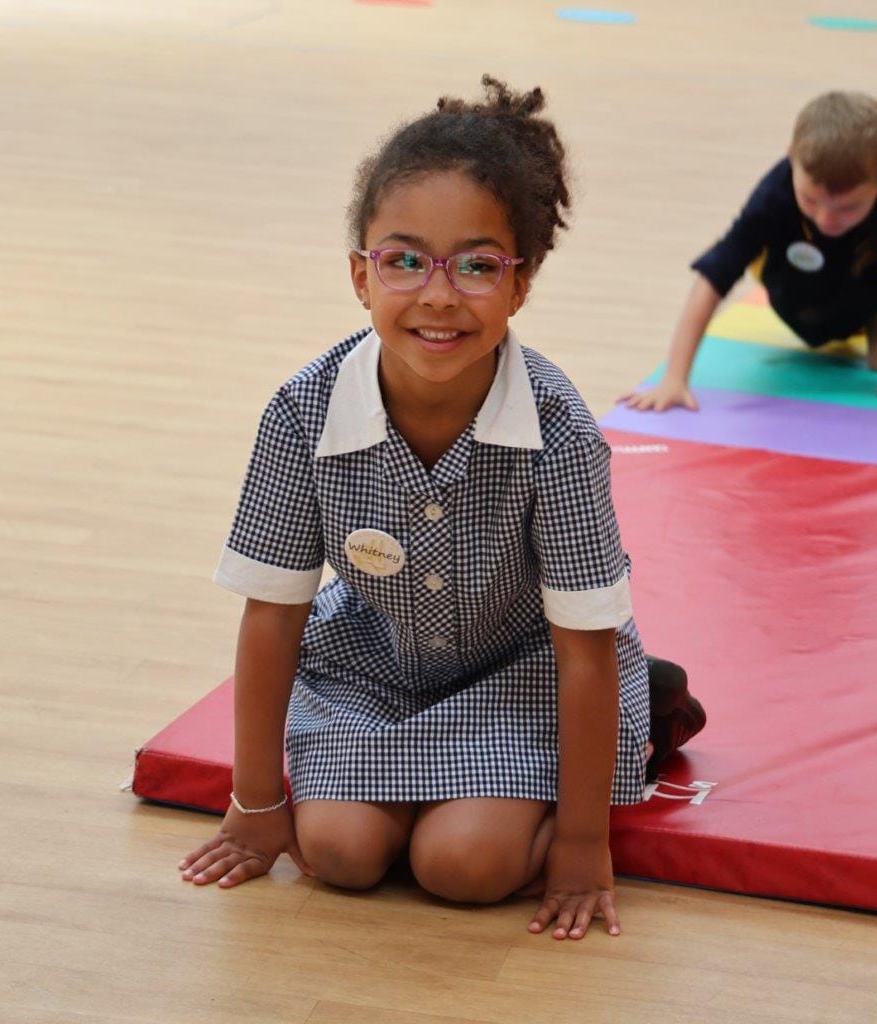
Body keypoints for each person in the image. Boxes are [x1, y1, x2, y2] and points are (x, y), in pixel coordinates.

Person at [178, 76, 704, 942]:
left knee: (464, 868)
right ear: (360, 274)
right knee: (340, 853)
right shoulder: (300, 413)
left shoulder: (561, 431)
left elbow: (581, 647)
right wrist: (254, 803)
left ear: (520, 284)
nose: (438, 295)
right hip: (370, 670)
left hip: (523, 670)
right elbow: (271, 618)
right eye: (405, 259)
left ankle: (646, 712)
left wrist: (581, 843)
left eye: (476, 265)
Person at [623, 90, 877, 411]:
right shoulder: (776, 194)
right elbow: (713, 277)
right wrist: (674, 378)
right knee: (816, 325)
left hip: (873, 287)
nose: (826, 218)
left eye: (848, 208)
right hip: (797, 290)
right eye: (811, 200)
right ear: (791, 159)